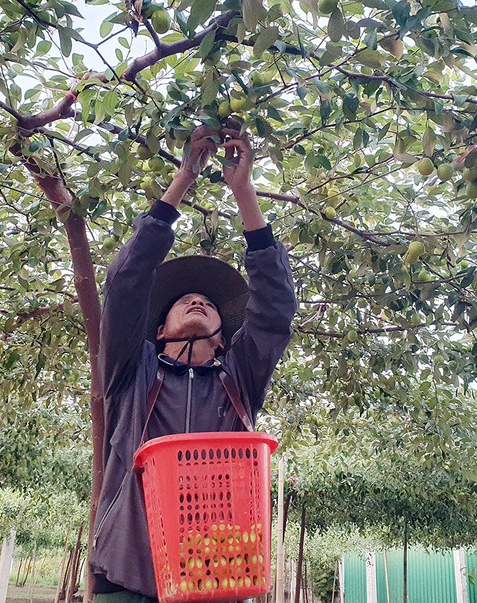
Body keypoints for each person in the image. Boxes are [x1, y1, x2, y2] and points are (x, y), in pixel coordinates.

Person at [89, 124, 297, 603]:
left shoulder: (238, 377)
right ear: (159, 329)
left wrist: (244, 193)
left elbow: (277, 307)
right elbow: (124, 285)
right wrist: (182, 179)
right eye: (184, 301)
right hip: (127, 572)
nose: (198, 302)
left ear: (225, 338)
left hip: (218, 573)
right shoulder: (130, 370)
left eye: (207, 303)